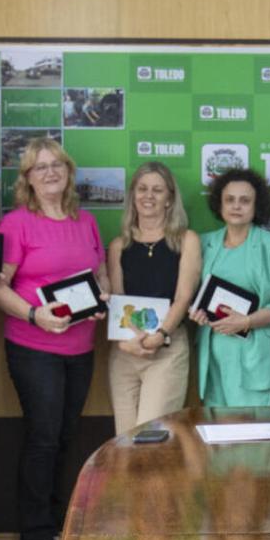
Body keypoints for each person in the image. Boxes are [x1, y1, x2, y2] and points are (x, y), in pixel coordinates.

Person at [0, 138, 108, 540]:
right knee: (43, 436)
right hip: (33, 346)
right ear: (28, 179)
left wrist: (103, 298)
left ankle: (61, 525)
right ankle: (35, 533)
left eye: (57, 164)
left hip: (81, 347)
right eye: (40, 167)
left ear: (69, 172)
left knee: (67, 436)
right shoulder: (16, 224)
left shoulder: (86, 221)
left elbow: (100, 275)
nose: (50, 172)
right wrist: (34, 315)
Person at [106, 162, 201, 434]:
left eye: (157, 190)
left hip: (166, 350)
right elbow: (118, 301)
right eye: (142, 189)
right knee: (124, 439)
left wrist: (160, 335)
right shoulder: (118, 245)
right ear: (133, 195)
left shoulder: (186, 240)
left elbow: (183, 297)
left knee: (152, 438)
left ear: (169, 198)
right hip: (125, 350)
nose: (149, 196)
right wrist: (128, 343)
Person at [189, 168, 270, 407]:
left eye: (245, 200)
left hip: (257, 355)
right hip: (213, 355)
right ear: (220, 204)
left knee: (257, 430)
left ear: (257, 206)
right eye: (230, 200)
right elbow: (192, 293)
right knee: (217, 430)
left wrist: (246, 321)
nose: (236, 206)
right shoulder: (204, 243)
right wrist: (196, 311)